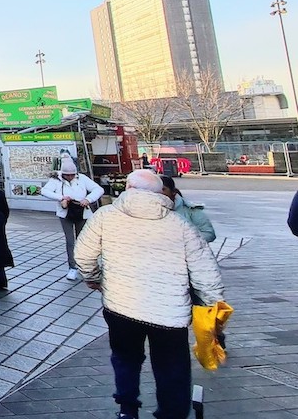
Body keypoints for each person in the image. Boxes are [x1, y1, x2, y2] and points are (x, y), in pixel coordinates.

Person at [75, 169, 224, 419]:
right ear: (160, 193)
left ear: (129, 189)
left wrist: (95, 279)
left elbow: (83, 256)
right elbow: (206, 272)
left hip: (121, 306)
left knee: (125, 359)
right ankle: (171, 413)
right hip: (170, 315)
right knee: (171, 368)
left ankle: (128, 409)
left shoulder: (105, 217)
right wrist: (213, 308)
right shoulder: (180, 224)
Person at [39, 157, 103, 280]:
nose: (70, 177)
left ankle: (84, 265)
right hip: (65, 213)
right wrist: (61, 197)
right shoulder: (56, 180)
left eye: (72, 175)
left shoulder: (82, 178)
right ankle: (72, 267)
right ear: (62, 174)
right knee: (70, 241)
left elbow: (98, 189)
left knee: (82, 240)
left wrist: (88, 199)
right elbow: (44, 191)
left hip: (82, 212)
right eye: (67, 175)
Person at [159, 176, 215, 243]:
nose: (159, 193)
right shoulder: (148, 211)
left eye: (163, 189)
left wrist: (187, 242)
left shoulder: (190, 210)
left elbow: (208, 233)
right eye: (156, 190)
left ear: (173, 192)